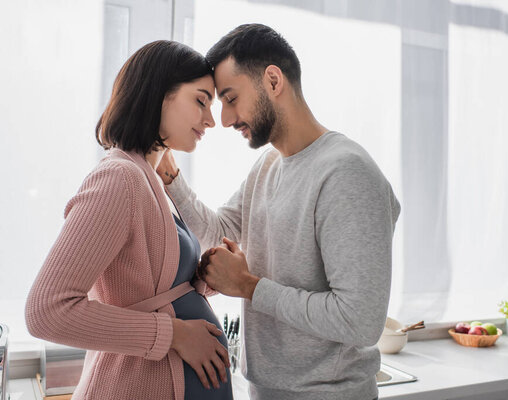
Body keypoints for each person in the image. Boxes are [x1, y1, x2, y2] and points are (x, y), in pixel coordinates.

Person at [158, 24, 401, 400]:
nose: (223, 119)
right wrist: (170, 174)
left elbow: (360, 322)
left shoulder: (347, 173)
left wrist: (248, 286)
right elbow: (217, 228)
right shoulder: (269, 164)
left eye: (231, 97)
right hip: (267, 390)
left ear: (273, 80)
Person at [25, 40, 233, 400]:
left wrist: (204, 277)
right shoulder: (120, 179)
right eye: (200, 100)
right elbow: (47, 310)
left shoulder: (150, 180)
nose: (211, 120)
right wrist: (176, 335)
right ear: (159, 94)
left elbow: (147, 286)